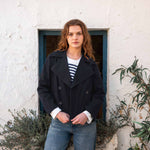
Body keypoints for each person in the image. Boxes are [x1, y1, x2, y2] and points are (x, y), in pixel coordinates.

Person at [37, 19, 105, 150]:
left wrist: (87, 114)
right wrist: (56, 112)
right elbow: (43, 88)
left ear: (84, 36)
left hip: (85, 123)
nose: (75, 37)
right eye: (71, 34)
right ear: (65, 37)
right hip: (59, 122)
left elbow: (99, 93)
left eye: (79, 33)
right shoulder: (53, 59)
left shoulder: (90, 63)